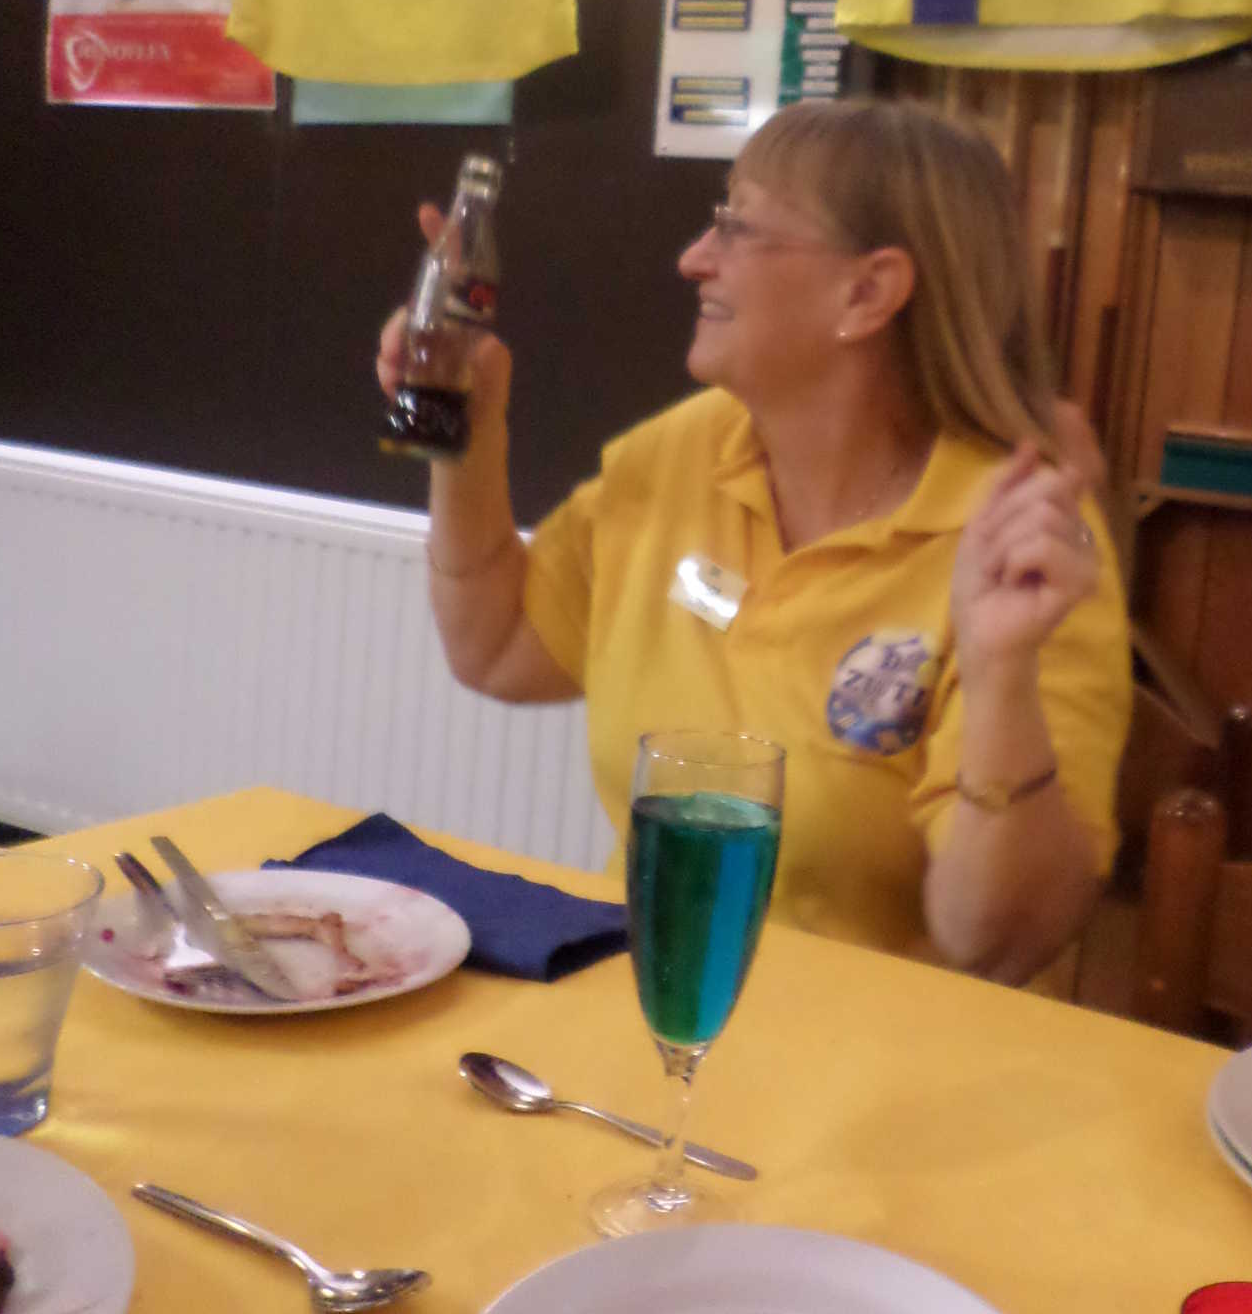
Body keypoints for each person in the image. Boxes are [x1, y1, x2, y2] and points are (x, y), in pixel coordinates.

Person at [377, 100, 1131, 983]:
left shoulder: (1017, 545)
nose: (694, 258)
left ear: (868, 293)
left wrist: (1001, 675)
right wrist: (464, 435)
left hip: (872, 1045)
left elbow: (995, 943)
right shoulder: (681, 455)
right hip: (650, 995)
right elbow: (498, 648)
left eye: (738, 228)